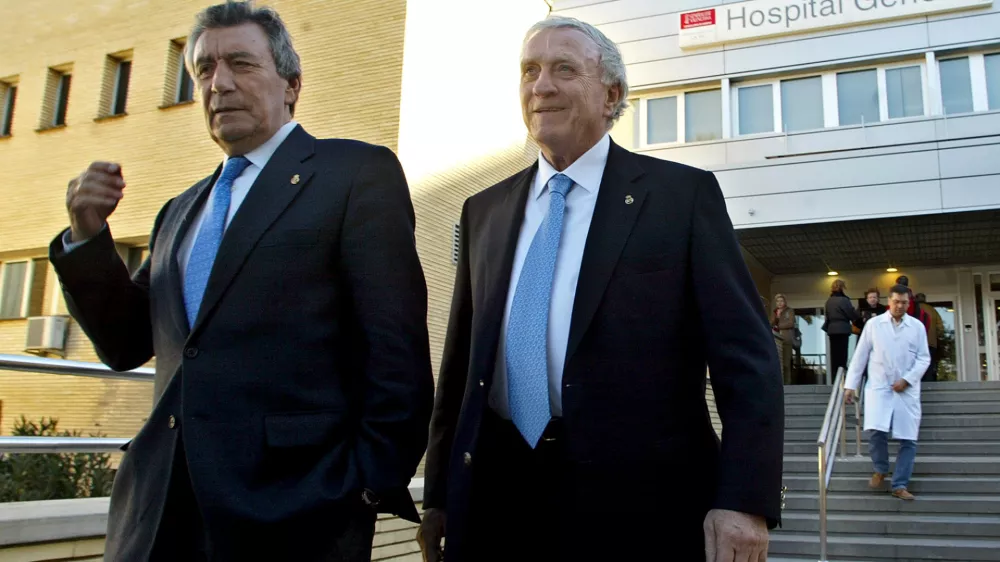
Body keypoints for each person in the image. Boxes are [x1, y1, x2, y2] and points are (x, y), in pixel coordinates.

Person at [49, 3, 434, 560]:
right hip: (158, 516)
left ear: (291, 84)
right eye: (204, 70)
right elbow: (127, 344)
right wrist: (86, 239)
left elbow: (395, 352)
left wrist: (363, 488)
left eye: (240, 64)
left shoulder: (354, 175)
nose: (219, 83)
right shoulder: (180, 212)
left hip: (294, 517)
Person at [417, 16, 784, 562]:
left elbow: (747, 362)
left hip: (638, 508)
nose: (541, 86)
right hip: (496, 496)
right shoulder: (483, 210)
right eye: (530, 71)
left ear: (611, 93)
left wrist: (745, 500)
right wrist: (441, 494)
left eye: (564, 69)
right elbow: (461, 366)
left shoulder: (680, 197)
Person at [845, 285, 930, 501]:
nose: (900, 306)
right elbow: (860, 356)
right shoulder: (874, 325)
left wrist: (907, 379)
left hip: (907, 391)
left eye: (904, 302)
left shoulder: (917, 327)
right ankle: (881, 469)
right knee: (876, 432)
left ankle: (900, 484)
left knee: (908, 440)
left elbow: (924, 358)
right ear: (889, 302)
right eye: (896, 302)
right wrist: (850, 385)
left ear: (908, 303)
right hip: (879, 388)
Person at [823, 279, 860, 378]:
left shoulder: (828, 301)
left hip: (832, 330)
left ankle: (835, 377)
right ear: (842, 287)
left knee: (834, 355)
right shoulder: (844, 300)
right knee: (842, 355)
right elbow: (851, 314)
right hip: (843, 329)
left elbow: (827, 316)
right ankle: (842, 377)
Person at [855, 288, 888, 388]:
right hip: (864, 338)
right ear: (866, 299)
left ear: (878, 298)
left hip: (880, 339)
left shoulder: (883, 310)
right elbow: (856, 322)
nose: (872, 299)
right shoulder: (861, 309)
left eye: (874, 297)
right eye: (870, 297)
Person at [915, 293, 945, 382]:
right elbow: (940, 328)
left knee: (917, 364)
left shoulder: (913, 310)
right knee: (929, 364)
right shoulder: (933, 310)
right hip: (931, 342)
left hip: (916, 343)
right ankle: (929, 383)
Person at [773, 293, 797, 384]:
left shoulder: (789, 311)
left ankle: (787, 384)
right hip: (776, 341)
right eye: (777, 301)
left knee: (786, 364)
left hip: (787, 339)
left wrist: (778, 326)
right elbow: (771, 324)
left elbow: (790, 323)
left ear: (785, 302)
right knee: (778, 364)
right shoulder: (775, 312)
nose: (779, 303)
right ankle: (780, 384)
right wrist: (777, 317)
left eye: (781, 301)